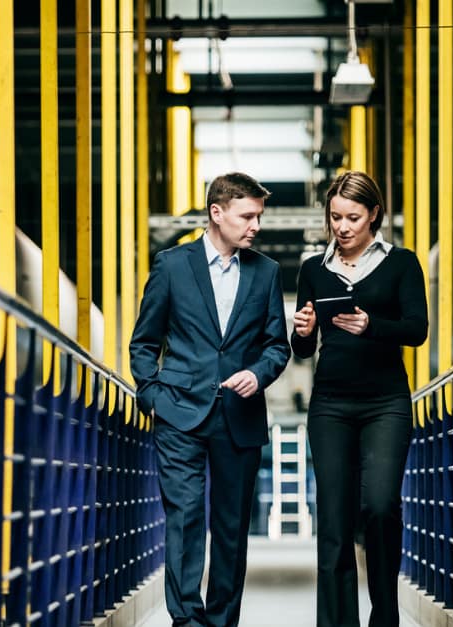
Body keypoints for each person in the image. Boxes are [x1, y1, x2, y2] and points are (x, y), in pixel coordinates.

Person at [130, 172, 291, 627]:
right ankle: (187, 621)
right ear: (216, 213)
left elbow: (277, 346)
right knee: (183, 519)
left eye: (259, 216)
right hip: (179, 412)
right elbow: (144, 342)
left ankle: (222, 621)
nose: (256, 225)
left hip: (239, 417)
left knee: (231, 529)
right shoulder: (171, 265)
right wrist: (152, 396)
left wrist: (257, 375)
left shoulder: (267, 272)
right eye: (248, 216)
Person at [290, 171, 427, 627]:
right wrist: (302, 332)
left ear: (373, 216)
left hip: (385, 401)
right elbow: (305, 350)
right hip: (330, 404)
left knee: (381, 506)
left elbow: (417, 329)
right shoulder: (313, 269)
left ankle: (384, 616)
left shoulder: (402, 263)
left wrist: (373, 326)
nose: (342, 227)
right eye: (335, 217)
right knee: (333, 519)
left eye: (352, 217)